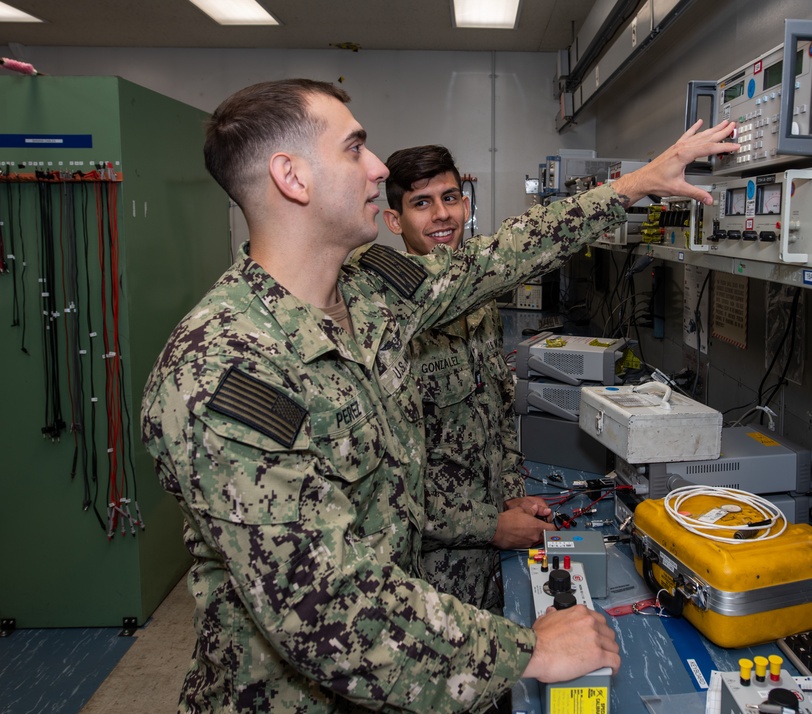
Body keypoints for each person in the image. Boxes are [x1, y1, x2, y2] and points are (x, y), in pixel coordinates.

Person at [140, 77, 737, 713]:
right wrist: (525, 651)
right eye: (353, 149)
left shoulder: (371, 293)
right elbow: (323, 606)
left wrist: (631, 187)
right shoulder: (225, 368)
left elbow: (498, 258)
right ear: (292, 177)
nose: (376, 169)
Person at [382, 145, 554, 614]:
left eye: (451, 198)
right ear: (394, 221)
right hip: (432, 575)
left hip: (498, 555)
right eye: (422, 203)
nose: (442, 215)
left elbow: (497, 414)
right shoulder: (387, 320)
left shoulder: (478, 302)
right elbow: (387, 482)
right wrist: (490, 525)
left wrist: (514, 496)